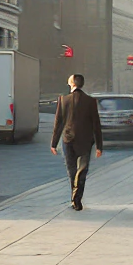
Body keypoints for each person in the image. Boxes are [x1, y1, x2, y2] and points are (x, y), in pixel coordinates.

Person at [51, 73, 104, 211]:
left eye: (69, 82)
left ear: (72, 84)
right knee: (82, 170)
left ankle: (73, 197)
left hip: (68, 140)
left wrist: (53, 143)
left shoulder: (63, 100)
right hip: (85, 141)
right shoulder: (90, 101)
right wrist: (99, 145)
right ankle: (77, 199)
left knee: (72, 170)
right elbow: (96, 125)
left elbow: (58, 124)